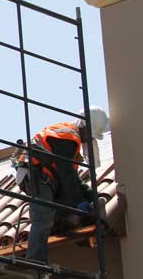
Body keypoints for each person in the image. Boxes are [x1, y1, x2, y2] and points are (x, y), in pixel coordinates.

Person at [17, 106, 109, 264]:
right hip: (36, 174)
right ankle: (35, 260)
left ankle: (71, 230)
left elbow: (74, 179)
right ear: (84, 127)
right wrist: (81, 202)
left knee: (66, 207)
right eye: (90, 135)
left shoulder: (72, 142)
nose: (89, 139)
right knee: (43, 216)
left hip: (47, 177)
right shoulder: (67, 138)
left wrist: (93, 197)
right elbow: (67, 177)